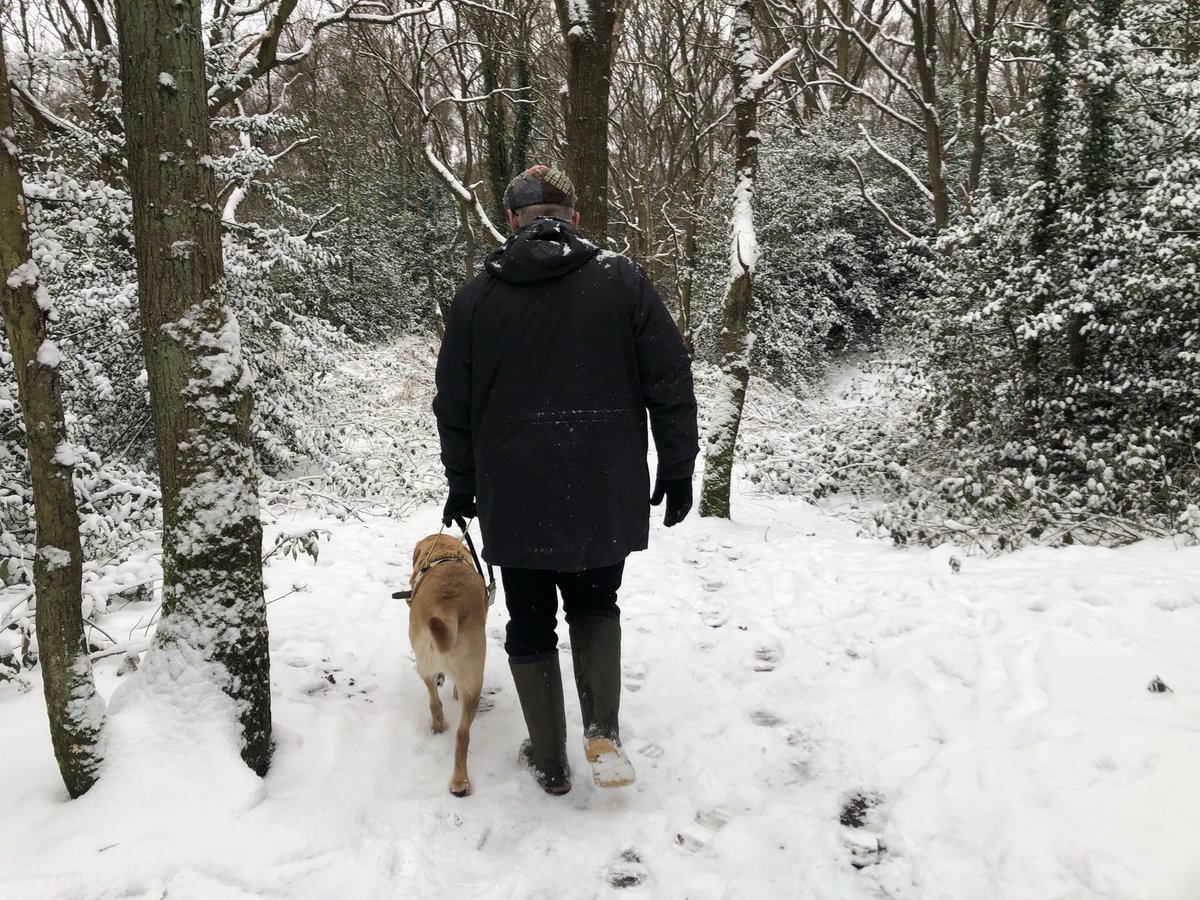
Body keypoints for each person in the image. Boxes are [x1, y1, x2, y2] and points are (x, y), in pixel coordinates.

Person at [433, 165, 698, 795]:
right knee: (595, 603)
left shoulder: (477, 300)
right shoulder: (623, 282)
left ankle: (549, 761)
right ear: (574, 218)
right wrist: (678, 463)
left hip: (515, 492)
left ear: (513, 221)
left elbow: (454, 404)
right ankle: (601, 731)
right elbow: (670, 378)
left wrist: (463, 480)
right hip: (603, 485)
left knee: (528, 623)